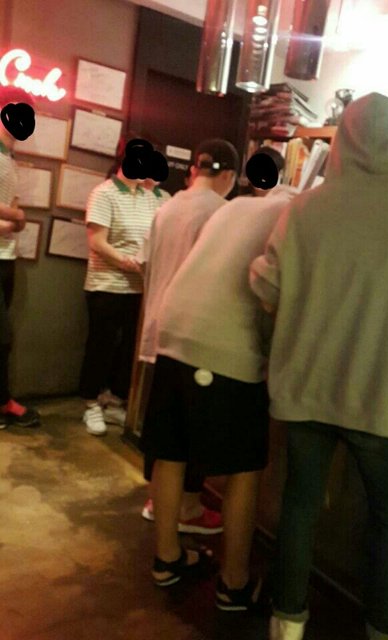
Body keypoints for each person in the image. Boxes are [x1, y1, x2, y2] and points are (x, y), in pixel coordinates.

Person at [249, 93, 388, 640]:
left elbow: (265, 285)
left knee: (300, 506)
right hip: (386, 397)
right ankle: (384, 630)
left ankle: (288, 622)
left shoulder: (304, 208)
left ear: (342, 143)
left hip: (307, 387)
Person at [139, 155, 298, 610]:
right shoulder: (297, 216)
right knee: (245, 466)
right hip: (227, 345)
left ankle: (167, 559)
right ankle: (234, 582)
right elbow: (274, 291)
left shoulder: (237, 206)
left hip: (173, 331)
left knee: (171, 451)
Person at [138, 139, 241, 533]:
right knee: (191, 429)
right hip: (195, 334)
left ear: (196, 168)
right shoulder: (221, 213)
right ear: (228, 174)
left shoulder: (166, 207)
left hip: (158, 326)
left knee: (162, 425)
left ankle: (157, 500)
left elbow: (146, 263)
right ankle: (188, 507)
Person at [79, 144, 160, 436]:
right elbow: (97, 241)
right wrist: (127, 262)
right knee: (101, 346)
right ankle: (90, 403)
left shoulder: (150, 197)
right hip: (107, 284)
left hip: (139, 287)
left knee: (129, 349)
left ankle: (114, 398)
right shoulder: (104, 193)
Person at [0, 86, 40, 429]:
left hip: (6, 255)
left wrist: (15, 218)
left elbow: (12, 212)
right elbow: (13, 213)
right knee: (1, 336)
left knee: (3, 335)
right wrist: (16, 217)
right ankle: (3, 403)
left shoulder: (9, 158)